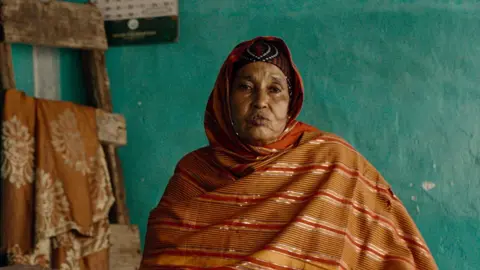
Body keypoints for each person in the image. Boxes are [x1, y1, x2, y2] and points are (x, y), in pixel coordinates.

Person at [140, 36, 438, 269]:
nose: (260, 102)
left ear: (290, 103)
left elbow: (393, 250)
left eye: (275, 90)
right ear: (225, 99)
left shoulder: (332, 163)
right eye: (245, 87)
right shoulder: (193, 174)